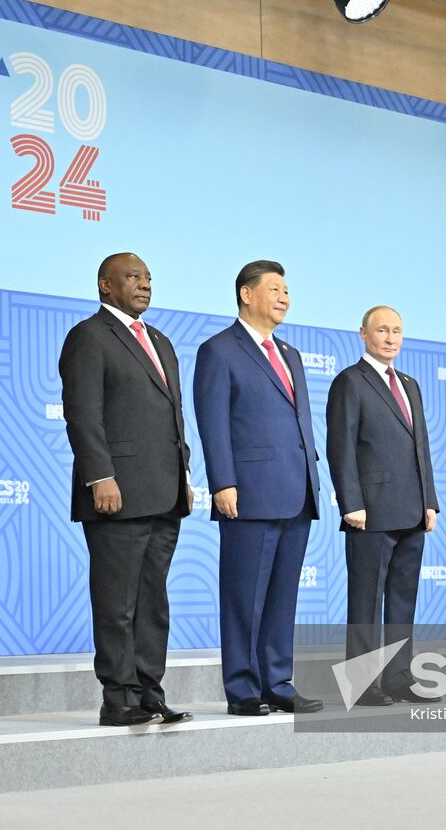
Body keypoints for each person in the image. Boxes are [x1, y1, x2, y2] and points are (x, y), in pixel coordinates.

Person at [59, 253, 193, 726]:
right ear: (105, 285)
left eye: (148, 278)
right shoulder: (89, 337)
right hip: (116, 492)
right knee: (118, 602)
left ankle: (150, 692)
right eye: (133, 277)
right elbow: (83, 414)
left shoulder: (160, 340)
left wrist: (185, 476)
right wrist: (100, 476)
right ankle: (119, 697)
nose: (144, 285)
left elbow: (172, 418)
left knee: (152, 600)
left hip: (165, 492)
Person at [193, 260, 323, 716]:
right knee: (243, 597)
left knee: (283, 596)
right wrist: (223, 482)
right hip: (247, 492)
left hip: (297, 489)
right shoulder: (219, 350)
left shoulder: (290, 353)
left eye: (287, 289)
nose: (284, 297)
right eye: (274, 288)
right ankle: (243, 688)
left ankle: (278, 681)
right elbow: (213, 424)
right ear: (247, 295)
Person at [325, 306, 440, 706]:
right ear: (363, 334)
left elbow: (421, 446)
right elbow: (340, 448)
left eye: (397, 331)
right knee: (366, 600)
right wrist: (350, 502)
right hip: (370, 512)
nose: (391, 338)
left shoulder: (410, 384)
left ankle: (398, 678)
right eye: (382, 330)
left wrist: (430, 500)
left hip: (412, 509)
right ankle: (361, 683)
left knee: (403, 600)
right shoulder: (349, 382)